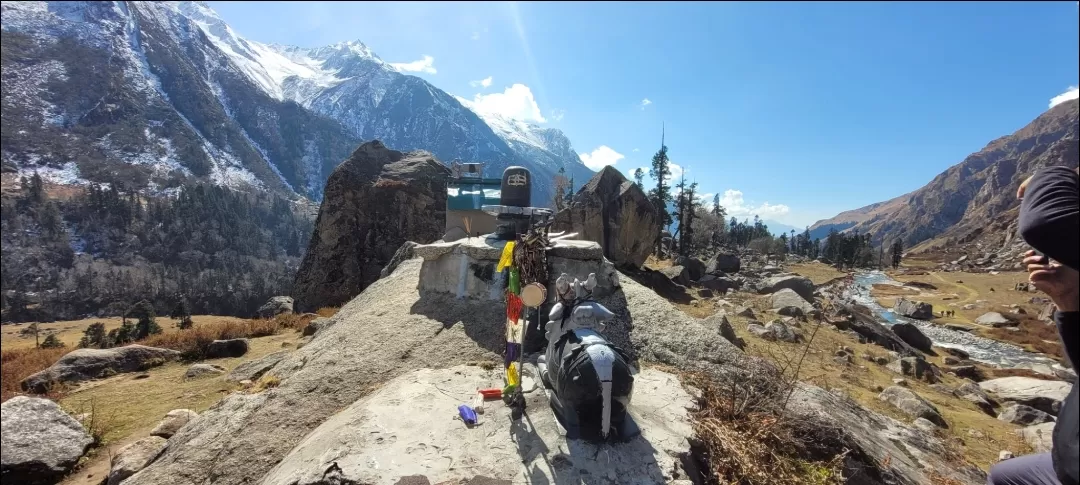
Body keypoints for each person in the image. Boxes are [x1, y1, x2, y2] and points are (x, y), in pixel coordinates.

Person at [987, 166, 1079, 485]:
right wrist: (1068, 300)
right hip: (1068, 465)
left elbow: (1045, 224)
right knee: (1002, 476)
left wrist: (1054, 175)